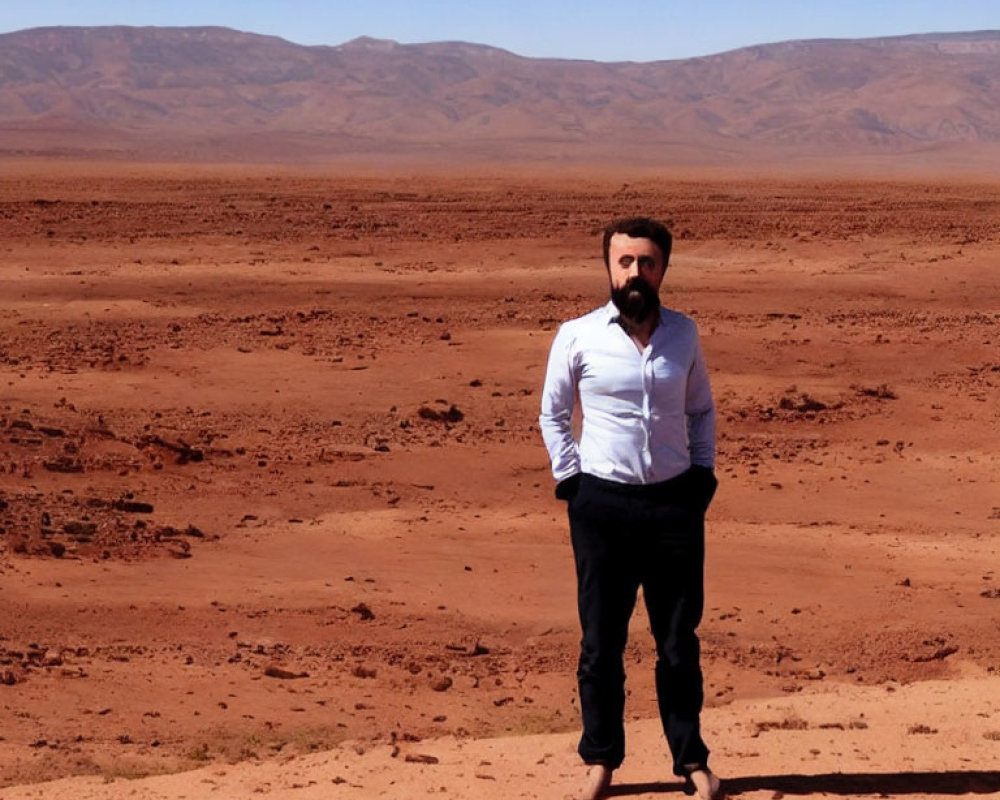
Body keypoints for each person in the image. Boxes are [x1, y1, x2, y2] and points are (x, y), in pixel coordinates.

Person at [539, 217, 722, 800]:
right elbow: (553, 413)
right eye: (624, 262)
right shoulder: (577, 335)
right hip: (603, 507)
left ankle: (690, 759)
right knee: (601, 642)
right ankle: (601, 761)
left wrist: (702, 477)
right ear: (608, 268)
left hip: (673, 506)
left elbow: (700, 411)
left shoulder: (684, 335)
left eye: (646, 262)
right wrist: (573, 483)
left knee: (677, 643)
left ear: (663, 267)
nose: (635, 273)